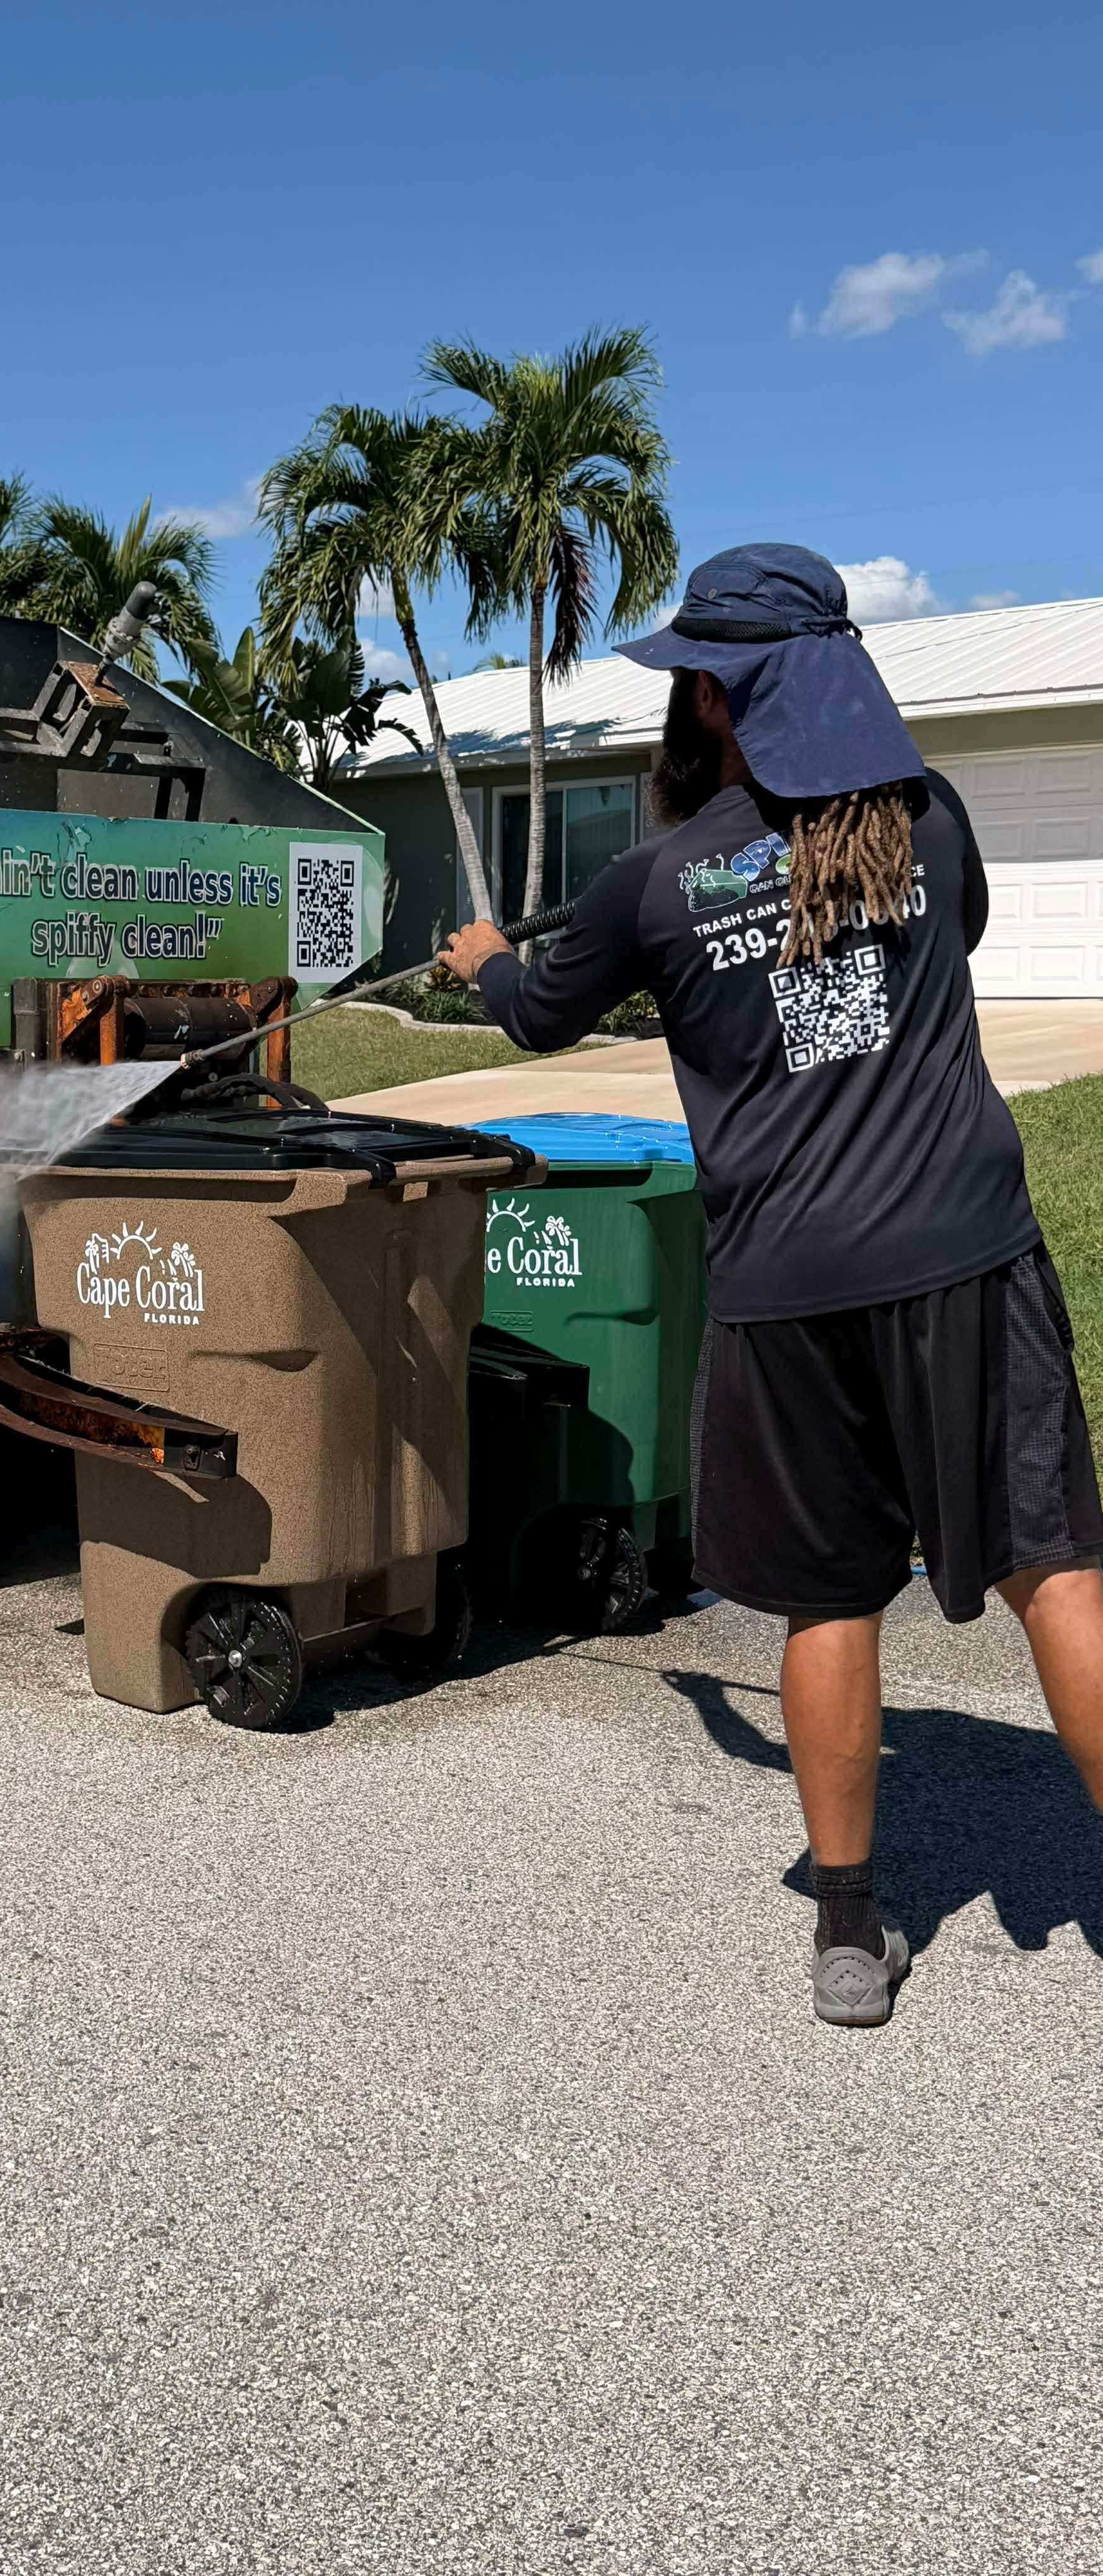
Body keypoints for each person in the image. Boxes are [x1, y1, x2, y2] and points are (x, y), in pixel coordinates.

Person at [442, 541, 1103, 2028]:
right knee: (1056, 1569)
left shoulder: (656, 883)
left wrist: (486, 956)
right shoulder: (935, 825)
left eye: (690, 681)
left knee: (825, 1600)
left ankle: (852, 1933)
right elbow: (950, 940)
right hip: (968, 1254)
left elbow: (539, 1015)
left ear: (726, 703)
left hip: (790, 1283)